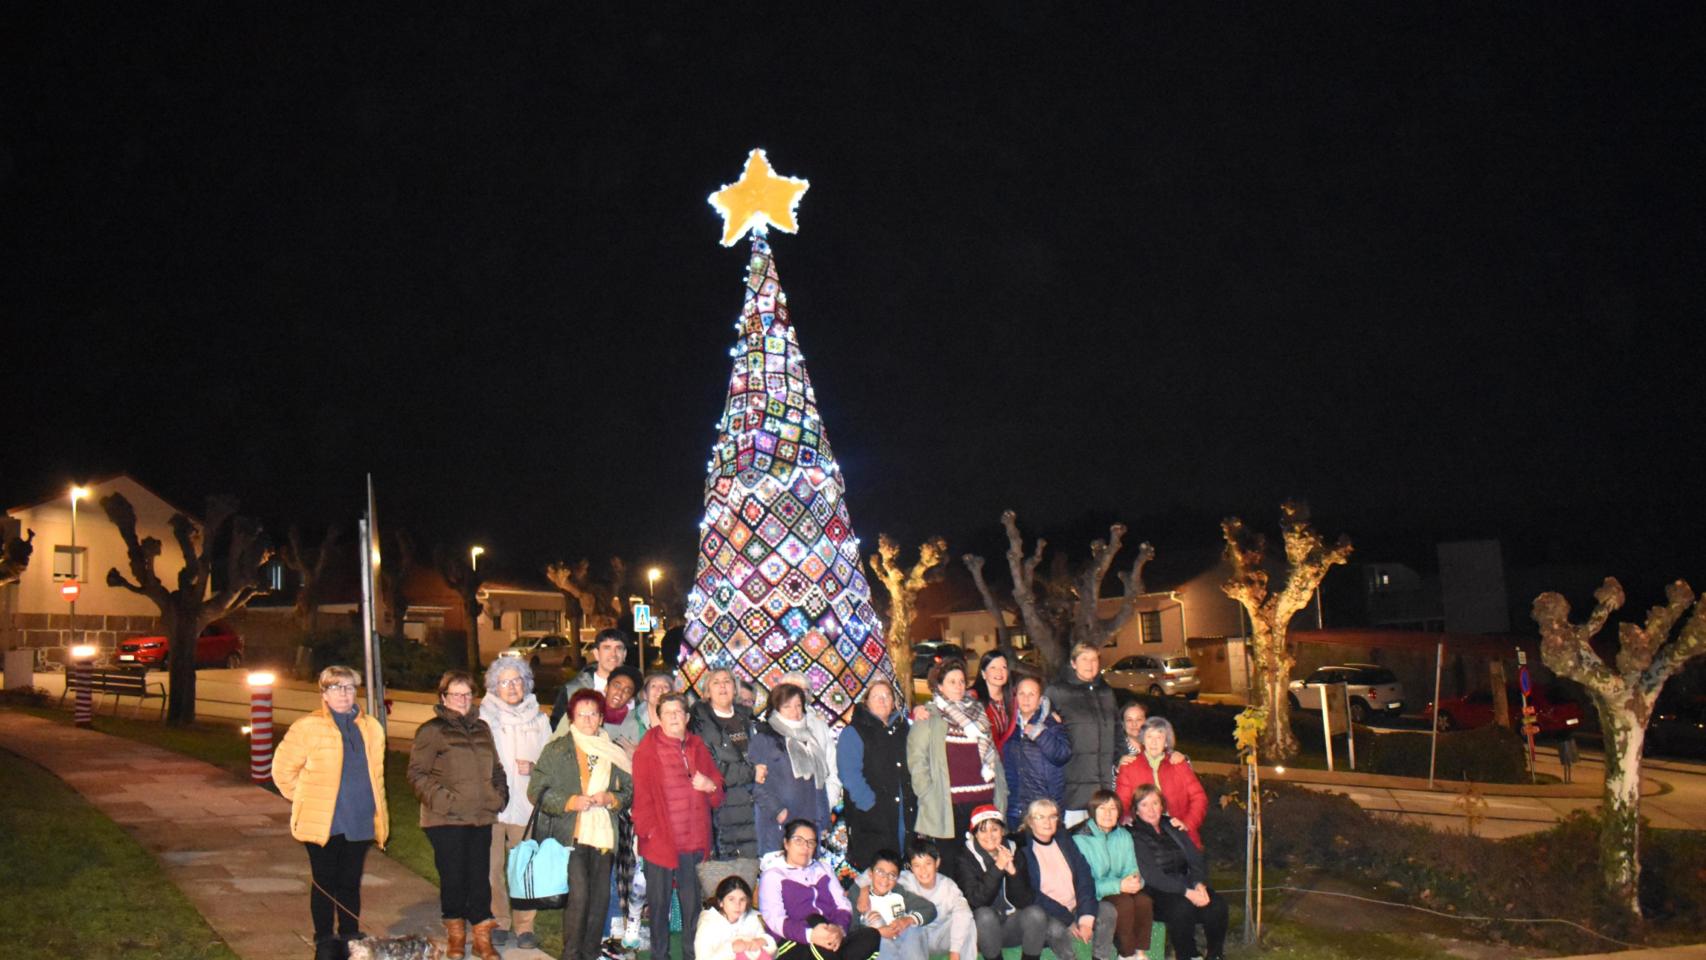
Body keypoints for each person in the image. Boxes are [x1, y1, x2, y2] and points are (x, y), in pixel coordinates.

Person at [274, 665, 389, 960]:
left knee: (350, 881)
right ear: (323, 693)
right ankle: (324, 938)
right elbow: (283, 771)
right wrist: (305, 798)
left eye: (350, 688)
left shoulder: (372, 727)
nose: (344, 694)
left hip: (360, 818)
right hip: (323, 822)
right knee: (325, 882)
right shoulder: (307, 727)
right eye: (336, 688)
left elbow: (377, 776)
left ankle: (350, 935)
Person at [408, 670, 509, 960]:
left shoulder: (482, 728)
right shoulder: (432, 730)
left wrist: (498, 796)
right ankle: (455, 936)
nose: (463, 700)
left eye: (467, 694)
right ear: (443, 697)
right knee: (454, 878)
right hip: (446, 819)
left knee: (480, 879)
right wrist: (445, 801)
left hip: (480, 817)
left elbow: (496, 769)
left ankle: (481, 938)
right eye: (456, 694)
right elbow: (417, 774)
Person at [529, 688, 634, 960]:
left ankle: (590, 954)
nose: (588, 719)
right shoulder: (557, 749)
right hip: (570, 835)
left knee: (599, 900)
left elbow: (629, 791)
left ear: (601, 718)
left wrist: (611, 797)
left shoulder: (613, 752)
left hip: (603, 838)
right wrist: (570, 801)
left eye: (593, 714)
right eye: (581, 714)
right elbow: (536, 790)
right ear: (572, 717)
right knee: (580, 898)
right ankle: (571, 954)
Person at [632, 692, 726, 960]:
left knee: (691, 906)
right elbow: (642, 797)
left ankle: (691, 954)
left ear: (687, 717)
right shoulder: (647, 750)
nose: (674, 717)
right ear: (658, 718)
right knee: (659, 906)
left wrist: (709, 786)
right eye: (667, 713)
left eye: (678, 712)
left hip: (693, 840)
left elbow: (718, 789)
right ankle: (659, 955)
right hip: (660, 841)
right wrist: (649, 832)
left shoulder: (698, 746)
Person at [909, 659, 1006, 882]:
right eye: (952, 681)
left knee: (983, 861)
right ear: (939, 686)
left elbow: (993, 754)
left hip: (983, 801)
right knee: (951, 863)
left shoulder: (979, 714)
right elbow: (916, 761)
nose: (959, 686)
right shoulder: (929, 717)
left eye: (962, 681)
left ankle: (983, 912)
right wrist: (927, 793)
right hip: (949, 806)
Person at [480, 657, 552, 950]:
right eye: (505, 682)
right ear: (494, 686)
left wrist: (535, 767)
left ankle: (525, 927)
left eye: (517, 680)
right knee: (491, 867)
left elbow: (551, 764)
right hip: (492, 807)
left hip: (525, 806)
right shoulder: (483, 719)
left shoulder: (540, 719)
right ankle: (499, 920)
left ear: (526, 683)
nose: (512, 687)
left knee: (524, 868)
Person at [758, 819, 883, 960]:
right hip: (793, 942)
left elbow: (843, 905)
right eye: (798, 840)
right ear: (786, 843)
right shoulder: (772, 876)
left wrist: (839, 930)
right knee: (815, 921)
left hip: (830, 937)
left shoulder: (824, 869)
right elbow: (775, 920)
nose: (805, 847)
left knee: (871, 936)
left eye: (811, 842)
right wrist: (811, 935)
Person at [1127, 786, 1227, 960]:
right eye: (1144, 805)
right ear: (1136, 810)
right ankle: (1188, 955)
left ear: (1162, 806)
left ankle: (1215, 954)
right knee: (1181, 908)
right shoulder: (1135, 834)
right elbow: (1152, 875)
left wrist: (1198, 884)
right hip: (1157, 892)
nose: (1151, 810)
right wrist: (1187, 892)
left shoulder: (1172, 826)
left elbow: (1195, 858)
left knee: (1217, 905)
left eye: (1155, 803)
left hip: (1187, 883)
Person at [836, 678, 915, 870]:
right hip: (872, 819)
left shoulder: (904, 729)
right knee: (877, 871)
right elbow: (850, 774)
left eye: (887, 696)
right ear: (866, 701)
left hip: (903, 816)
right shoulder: (854, 732)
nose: (883, 700)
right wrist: (869, 804)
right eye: (876, 696)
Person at [750, 682, 833, 854]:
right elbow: (755, 784)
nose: (795, 712)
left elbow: (819, 783)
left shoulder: (809, 739)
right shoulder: (765, 739)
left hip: (809, 822)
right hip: (779, 825)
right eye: (787, 706)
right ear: (775, 709)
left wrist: (824, 819)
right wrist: (778, 811)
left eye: (798, 706)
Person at [955, 805, 1047, 960]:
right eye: (983, 830)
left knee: (1036, 914)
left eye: (995, 829)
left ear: (1003, 831)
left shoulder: (1014, 850)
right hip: (981, 932)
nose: (989, 835)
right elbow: (977, 901)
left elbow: (1025, 901)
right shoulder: (964, 858)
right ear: (974, 834)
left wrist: (1013, 873)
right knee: (984, 915)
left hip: (1011, 926)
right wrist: (998, 867)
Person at [690, 668, 763, 860]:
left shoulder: (748, 721)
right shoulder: (700, 724)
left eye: (727, 681)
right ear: (706, 692)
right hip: (723, 810)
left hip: (752, 807)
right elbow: (710, 768)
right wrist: (751, 772)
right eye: (716, 682)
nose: (722, 686)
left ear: (735, 689)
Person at [1013, 798, 1099, 960]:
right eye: (1040, 817)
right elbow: (1032, 895)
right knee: (1056, 930)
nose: (1047, 822)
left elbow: (1084, 877)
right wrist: (1067, 919)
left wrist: (1086, 917)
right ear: (1030, 822)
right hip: (1050, 913)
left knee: (1108, 911)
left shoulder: (1064, 840)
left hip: (1076, 906)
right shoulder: (1023, 850)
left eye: (1052, 816)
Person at [1046, 644, 1121, 828]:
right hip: (1074, 785)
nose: (1090, 664)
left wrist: (1121, 756)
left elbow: (1118, 728)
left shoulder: (1106, 692)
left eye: (1094, 659)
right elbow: (1044, 727)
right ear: (1073, 663)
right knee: (1077, 841)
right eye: (1084, 659)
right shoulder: (1058, 691)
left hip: (1103, 786)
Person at [1073, 790, 1153, 960]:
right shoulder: (1080, 839)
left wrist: (1136, 880)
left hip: (1120, 887)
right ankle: (1126, 954)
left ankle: (1140, 953)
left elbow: (1132, 867)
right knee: (1123, 904)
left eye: (1113, 808)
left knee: (1144, 901)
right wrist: (1118, 885)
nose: (1108, 814)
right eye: (1102, 808)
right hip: (1095, 892)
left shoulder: (1123, 835)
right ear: (1093, 811)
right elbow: (1083, 883)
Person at [1114, 718, 1207, 848]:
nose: (1154, 742)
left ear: (1166, 742)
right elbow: (1121, 802)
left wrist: (1187, 823)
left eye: (1159, 737)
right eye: (1149, 736)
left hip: (1179, 834)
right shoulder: (1129, 767)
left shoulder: (1179, 764)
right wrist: (1126, 818)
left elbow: (1199, 798)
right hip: (1144, 837)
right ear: (1143, 740)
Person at [1001, 674, 1070, 827]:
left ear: (1040, 700)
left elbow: (1062, 755)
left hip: (1044, 807)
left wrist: (1040, 734)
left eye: (1031, 694)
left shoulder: (1052, 724)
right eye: (1022, 694)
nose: (1026, 699)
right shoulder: (1008, 726)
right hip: (1015, 807)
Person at [851, 848, 937, 960]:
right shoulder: (859, 897)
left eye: (892, 875)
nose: (885, 879)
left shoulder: (898, 893)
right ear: (870, 874)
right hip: (877, 948)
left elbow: (929, 909)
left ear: (897, 878)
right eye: (880, 872)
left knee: (915, 930)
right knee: (882, 940)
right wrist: (878, 932)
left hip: (903, 945)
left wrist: (907, 920)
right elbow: (851, 933)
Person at [551, 629, 631, 729]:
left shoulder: (635, 692)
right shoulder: (572, 690)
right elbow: (556, 730)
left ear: (625, 654)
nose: (613, 654)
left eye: (618, 648)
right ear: (596, 654)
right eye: (607, 648)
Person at [696, 876, 778, 960]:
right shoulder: (708, 924)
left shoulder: (752, 918)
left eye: (742, 900)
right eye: (731, 899)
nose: (737, 905)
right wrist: (731, 949)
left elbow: (772, 952)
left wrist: (763, 941)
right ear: (720, 902)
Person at [970, 650, 1018, 750]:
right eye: (993, 667)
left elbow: (1035, 702)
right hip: (983, 758)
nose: (999, 671)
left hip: (1009, 759)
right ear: (983, 673)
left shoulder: (1015, 698)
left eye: (1003, 667)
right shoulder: (972, 699)